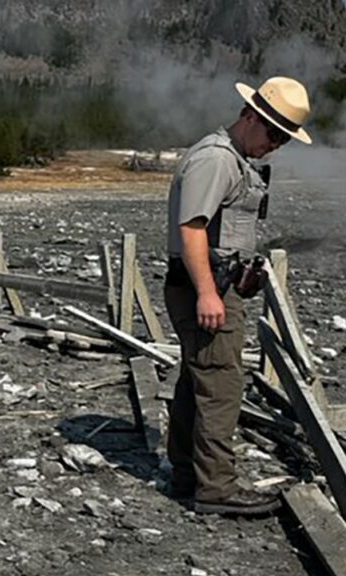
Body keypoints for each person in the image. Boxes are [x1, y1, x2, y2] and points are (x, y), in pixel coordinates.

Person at [164, 77, 312, 516]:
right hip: (205, 286)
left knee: (199, 380)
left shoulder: (232, 158)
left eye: (284, 138)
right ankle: (217, 489)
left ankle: (188, 474)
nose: (277, 144)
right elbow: (192, 228)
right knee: (222, 384)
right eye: (274, 133)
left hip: (212, 283)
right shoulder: (217, 160)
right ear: (251, 117)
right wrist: (209, 292)